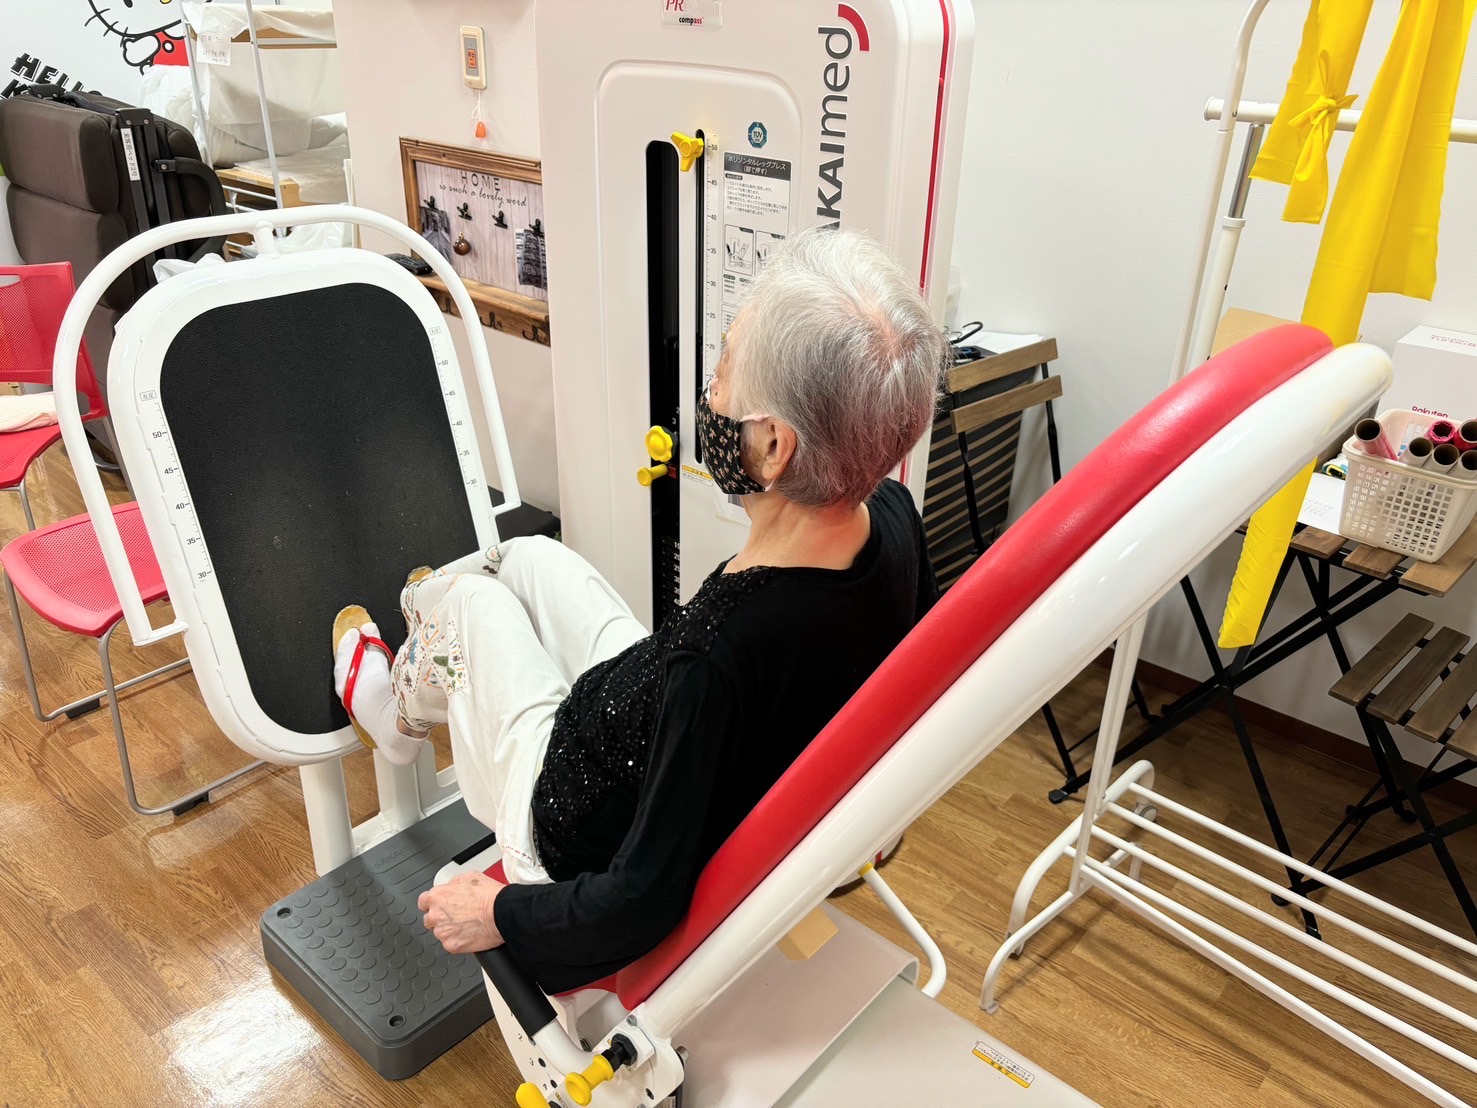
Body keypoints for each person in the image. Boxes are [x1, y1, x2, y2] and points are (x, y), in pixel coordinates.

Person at [332, 227, 949, 993]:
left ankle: (395, 700)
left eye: (722, 370)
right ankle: (427, 651)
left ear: (771, 447)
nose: (709, 395)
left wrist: (498, 912)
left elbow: (639, 900)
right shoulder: (892, 515)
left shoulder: (716, 658)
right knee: (527, 558)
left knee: (471, 602)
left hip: (558, 820)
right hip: (629, 727)